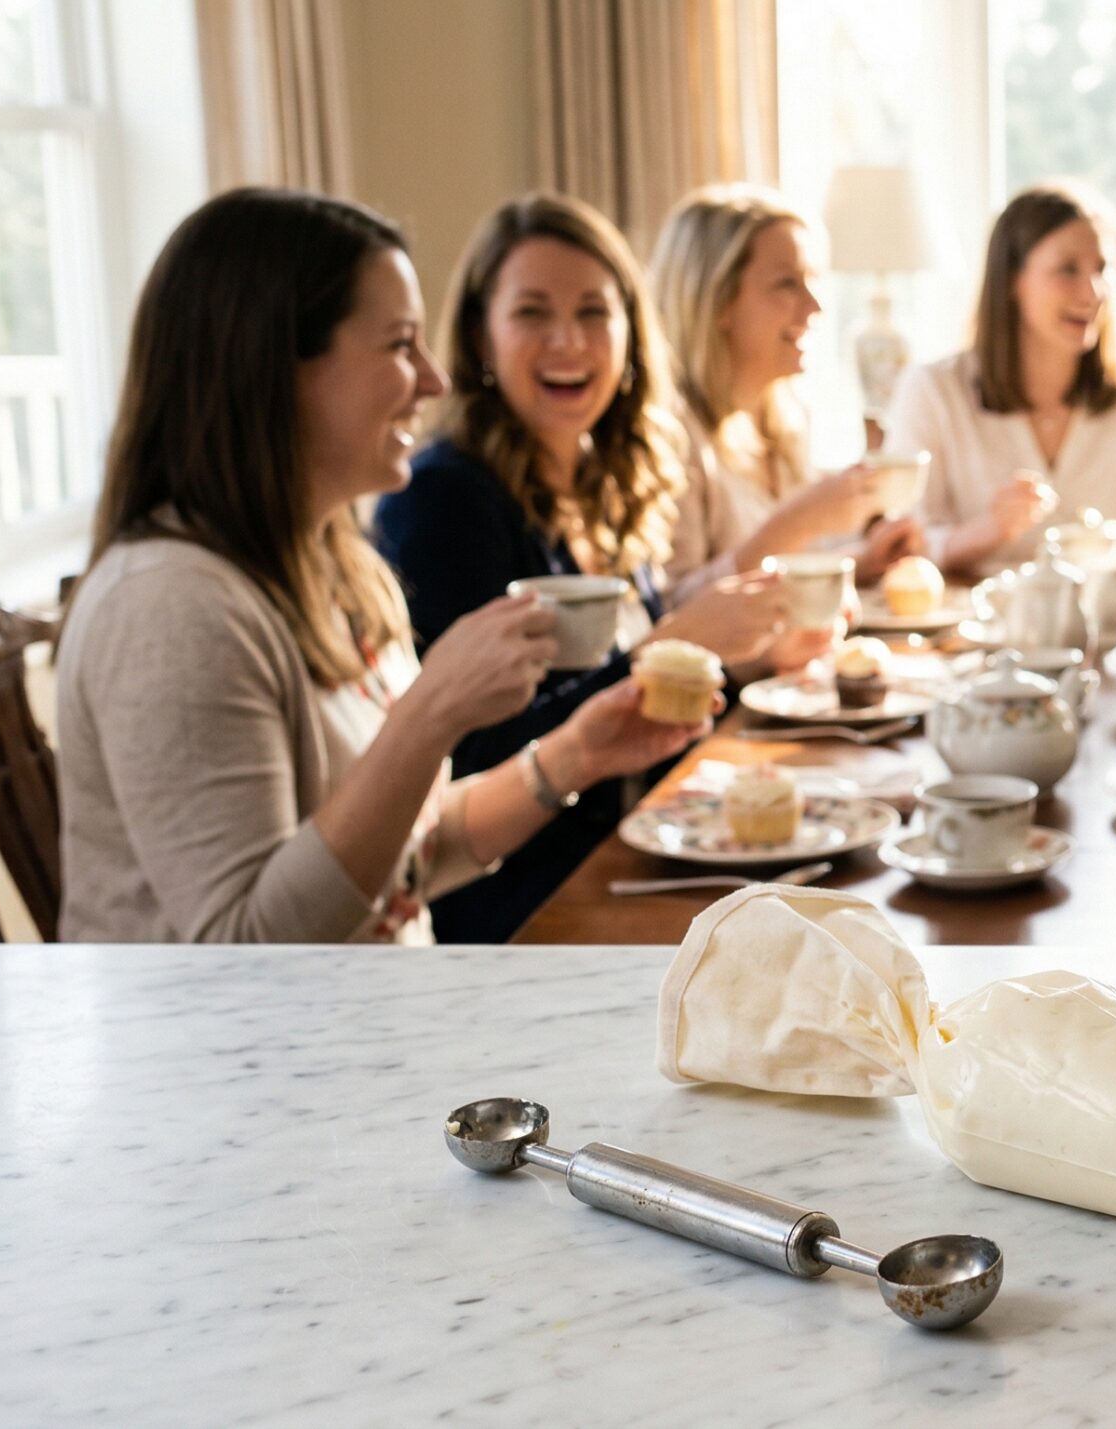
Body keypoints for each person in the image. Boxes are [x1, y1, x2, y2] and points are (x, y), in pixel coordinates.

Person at [58, 189, 708, 944]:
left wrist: (574, 754)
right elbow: (248, 949)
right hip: (244, 1055)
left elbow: (409, 856)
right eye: (401, 344)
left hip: (371, 1021)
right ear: (277, 367)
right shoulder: (171, 607)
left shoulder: (338, 567)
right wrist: (430, 714)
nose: (434, 379)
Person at [372, 193, 788, 943]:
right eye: (532, 312)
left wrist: (748, 659)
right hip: (527, 906)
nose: (569, 341)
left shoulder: (610, 474)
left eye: (595, 312)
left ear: (630, 330)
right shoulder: (444, 497)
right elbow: (460, 755)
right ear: (480, 334)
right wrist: (666, 649)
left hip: (643, 858)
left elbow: (646, 724)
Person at [648, 183, 926, 612]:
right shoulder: (669, 436)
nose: (814, 306)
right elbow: (673, 614)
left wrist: (862, 562)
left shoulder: (783, 418)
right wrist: (797, 522)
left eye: (812, 282)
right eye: (786, 284)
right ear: (717, 299)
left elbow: (782, 579)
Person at [884, 182, 1116, 576]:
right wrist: (990, 530)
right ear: (1013, 280)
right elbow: (903, 547)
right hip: (966, 633)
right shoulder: (933, 391)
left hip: (1108, 633)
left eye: (1101, 270)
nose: (1092, 293)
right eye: (1068, 269)